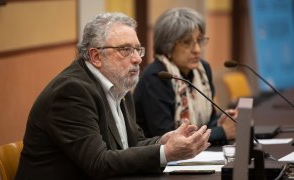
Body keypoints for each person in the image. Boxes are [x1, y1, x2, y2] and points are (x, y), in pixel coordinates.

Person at [15, 12, 211, 180]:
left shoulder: (119, 85)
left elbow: (131, 145)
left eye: (137, 49)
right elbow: (98, 163)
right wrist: (165, 153)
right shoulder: (72, 92)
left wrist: (163, 142)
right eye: (125, 50)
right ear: (96, 57)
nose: (137, 59)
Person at [133, 7, 237, 145]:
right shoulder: (156, 77)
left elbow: (208, 120)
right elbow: (166, 136)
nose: (197, 49)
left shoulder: (203, 70)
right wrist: (222, 132)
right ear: (167, 46)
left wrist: (221, 120)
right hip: (159, 162)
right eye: (187, 42)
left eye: (199, 40)